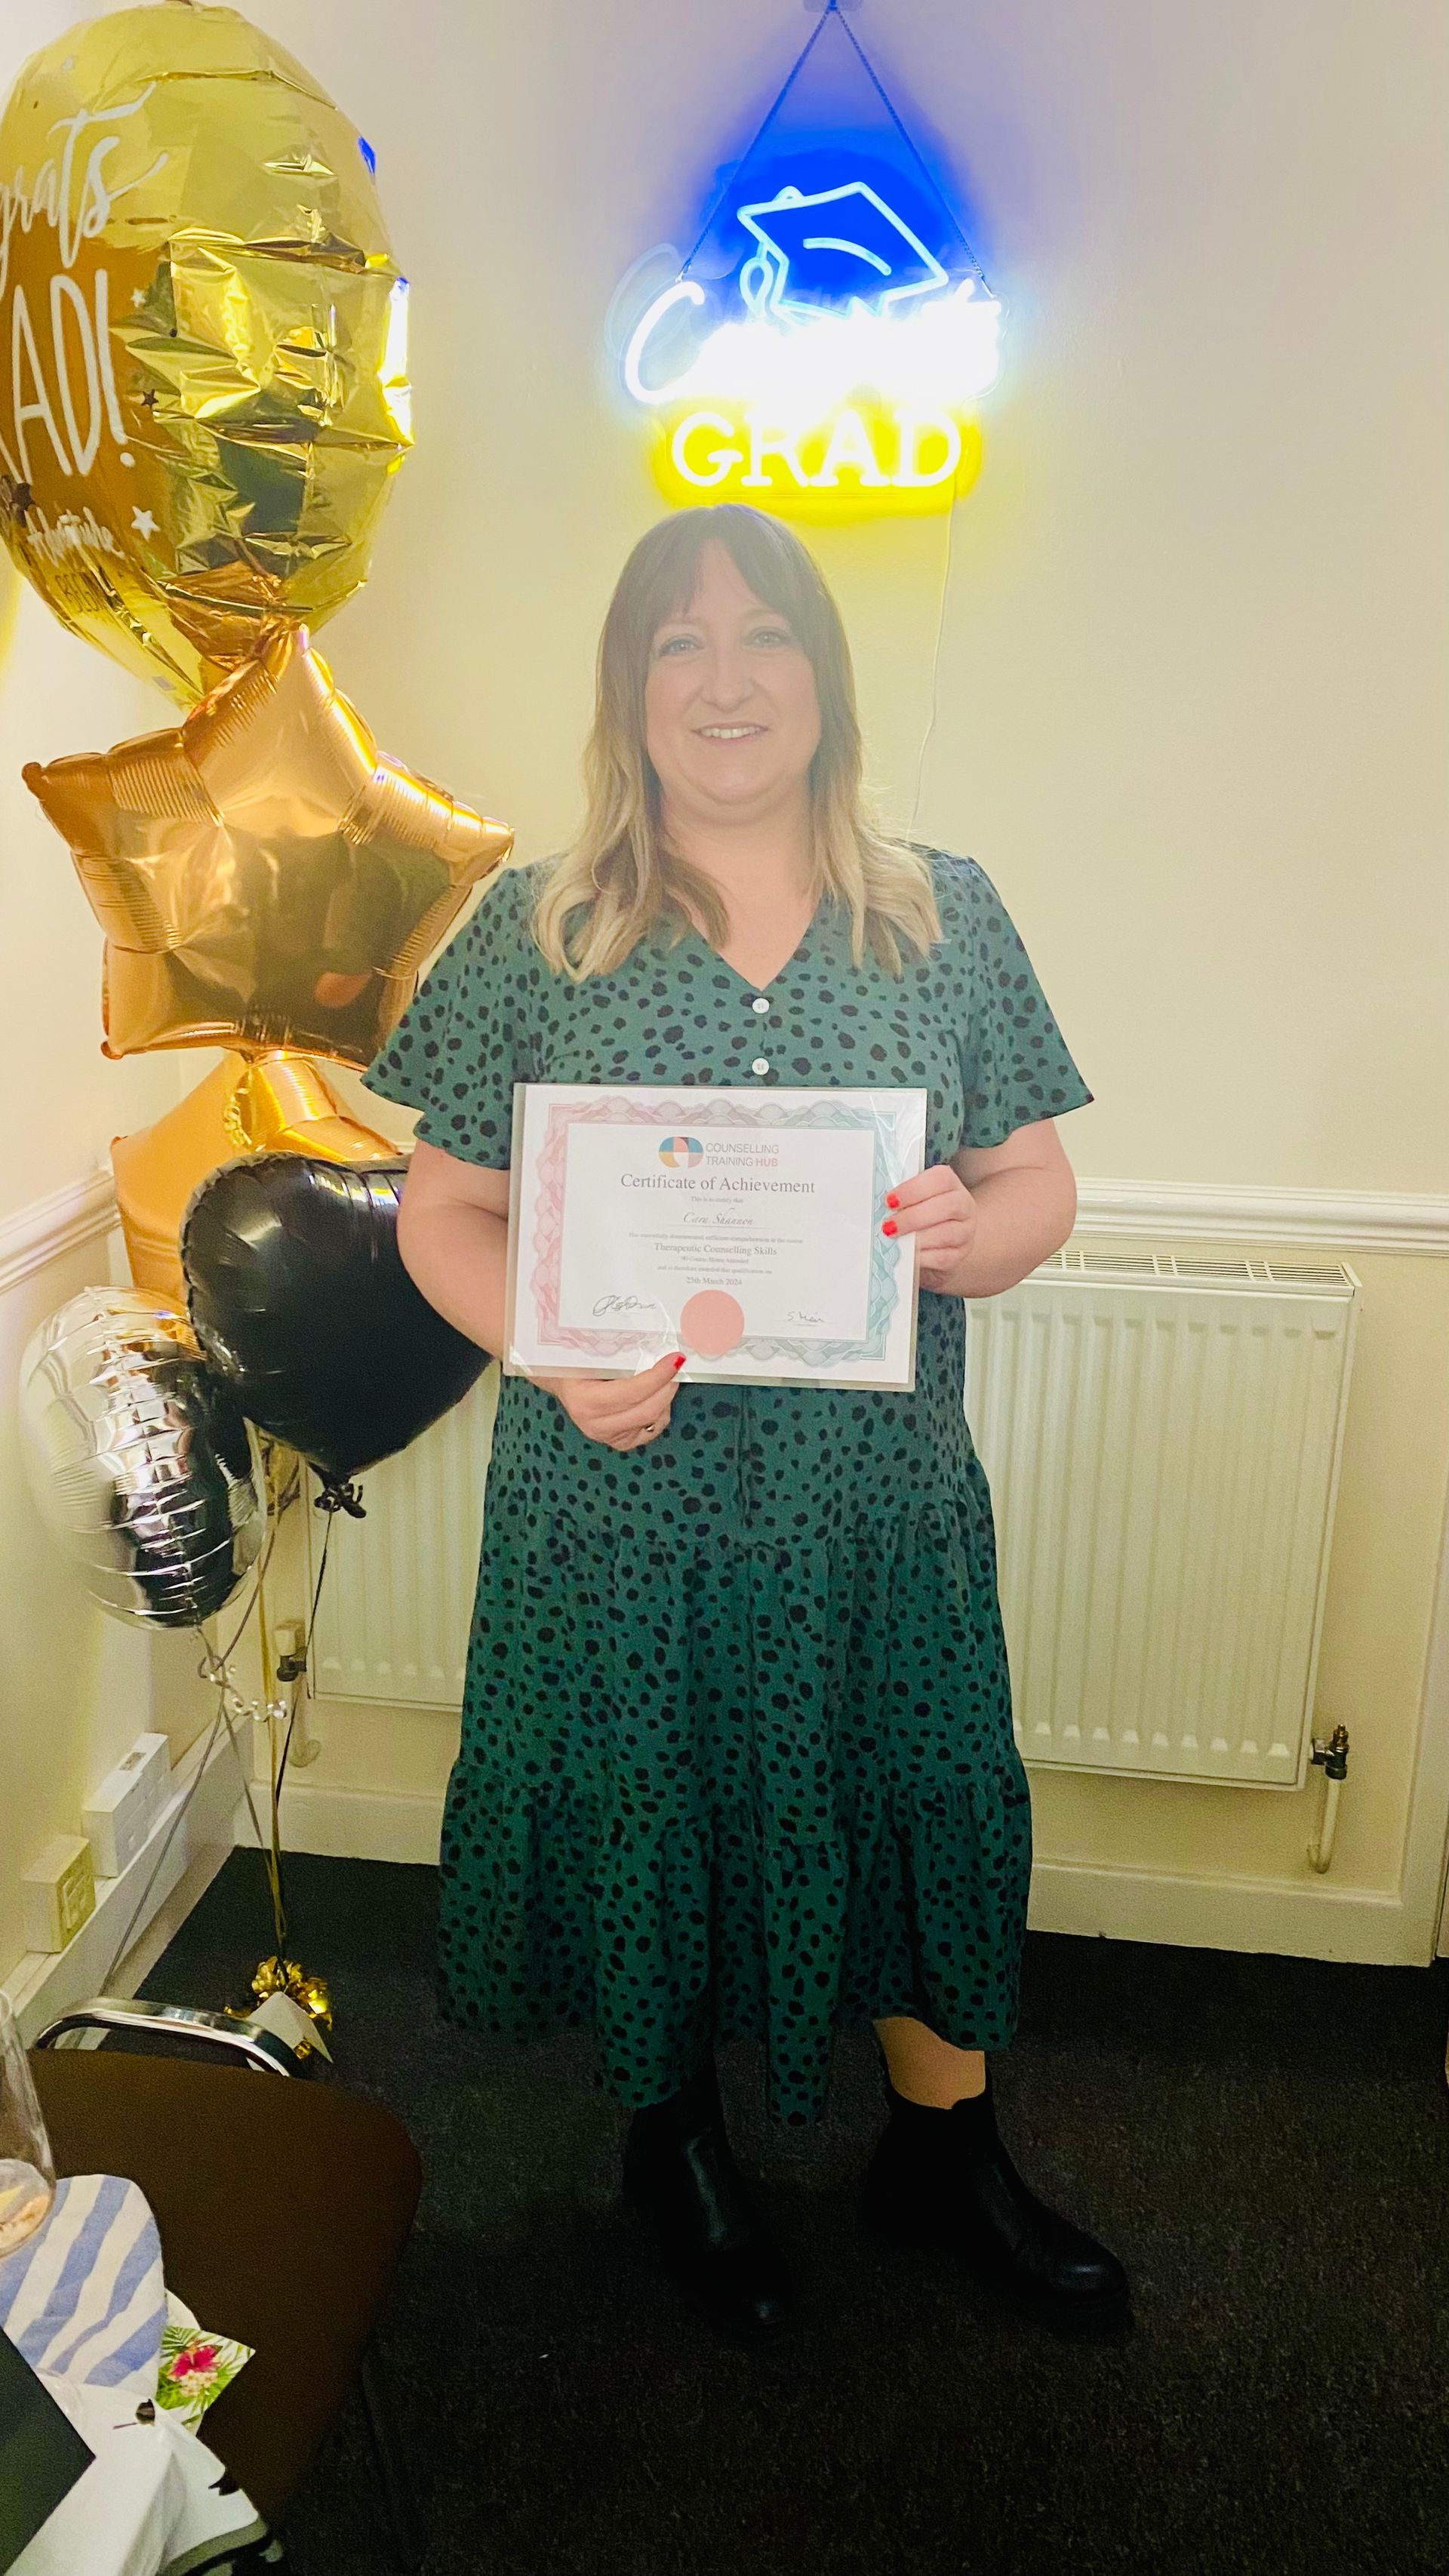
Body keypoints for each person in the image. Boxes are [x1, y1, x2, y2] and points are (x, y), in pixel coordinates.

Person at [362, 503, 1132, 2344]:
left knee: (916, 1791)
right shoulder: (536, 930)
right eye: (678, 643)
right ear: (629, 694)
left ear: (824, 678)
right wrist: (545, 1348)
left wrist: (970, 1236)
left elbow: (1038, 1189)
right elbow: (438, 1216)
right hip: (621, 1507)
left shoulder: (946, 913)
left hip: (878, 1510)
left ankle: (943, 2152)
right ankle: (670, 2138)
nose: (724, 679)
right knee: (654, 1810)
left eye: (763, 635)